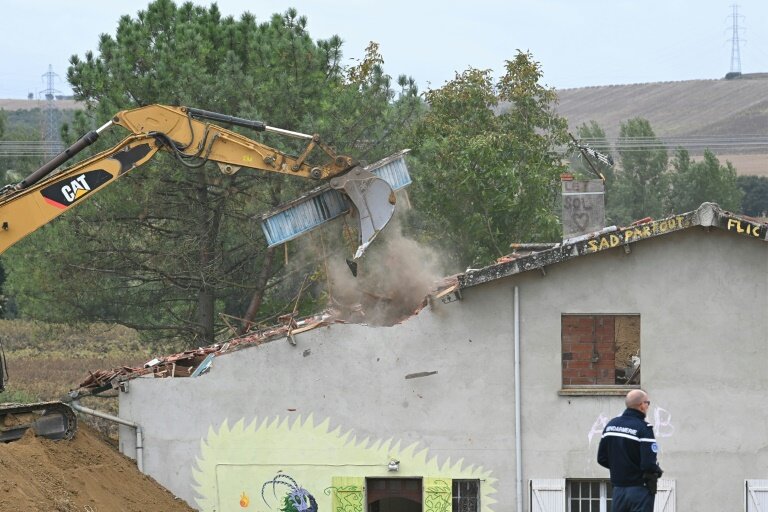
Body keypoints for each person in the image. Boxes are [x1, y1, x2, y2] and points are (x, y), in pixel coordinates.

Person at [597, 389, 663, 512]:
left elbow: (601, 458)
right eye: (647, 403)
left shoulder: (611, 425)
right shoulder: (644, 429)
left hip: (618, 490)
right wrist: (657, 471)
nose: (648, 406)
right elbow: (648, 464)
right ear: (642, 405)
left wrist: (621, 469)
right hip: (639, 490)